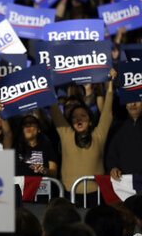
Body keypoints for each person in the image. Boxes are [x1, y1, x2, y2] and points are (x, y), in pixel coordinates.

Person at [48, 68, 116, 200]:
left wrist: (110, 83)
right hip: (68, 196)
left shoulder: (99, 135)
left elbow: (107, 111)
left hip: (95, 197)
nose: (78, 119)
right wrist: (49, 83)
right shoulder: (65, 134)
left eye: (83, 116)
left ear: (90, 121)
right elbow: (54, 109)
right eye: (74, 117)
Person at [106, 101, 142, 180]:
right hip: (124, 184)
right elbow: (111, 156)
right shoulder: (117, 129)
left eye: (137, 100)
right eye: (129, 101)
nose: (133, 104)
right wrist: (113, 168)